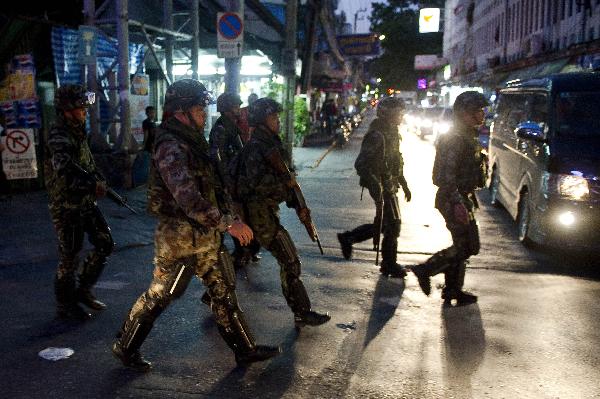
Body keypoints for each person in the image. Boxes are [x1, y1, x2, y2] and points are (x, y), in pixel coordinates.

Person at [111, 79, 280, 371]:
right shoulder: (170, 146)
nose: (204, 114)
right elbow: (188, 197)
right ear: (182, 111)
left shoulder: (194, 141)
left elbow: (214, 186)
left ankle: (244, 349)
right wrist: (228, 224)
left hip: (204, 236)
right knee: (161, 295)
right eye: (200, 108)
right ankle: (125, 346)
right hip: (178, 240)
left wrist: (232, 214)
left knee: (223, 289)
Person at [234, 97, 331, 329]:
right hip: (258, 213)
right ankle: (302, 312)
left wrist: (293, 196)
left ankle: (216, 292)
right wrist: (286, 188)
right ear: (261, 121)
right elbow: (258, 184)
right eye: (273, 118)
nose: (278, 121)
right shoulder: (257, 148)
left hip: (264, 212)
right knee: (289, 259)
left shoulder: (268, 144)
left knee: (248, 254)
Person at [409, 91, 489, 306]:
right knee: (467, 246)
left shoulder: (467, 135)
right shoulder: (455, 138)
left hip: (462, 196)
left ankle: (453, 290)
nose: (482, 115)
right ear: (464, 113)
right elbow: (446, 176)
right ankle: (426, 269)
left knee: (463, 245)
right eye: (478, 111)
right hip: (453, 197)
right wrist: (457, 203)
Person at [45, 84, 114, 320]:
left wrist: (99, 179)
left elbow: (87, 163)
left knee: (105, 242)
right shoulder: (58, 132)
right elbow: (65, 167)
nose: (85, 109)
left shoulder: (77, 129)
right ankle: (66, 304)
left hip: (84, 201)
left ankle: (83, 290)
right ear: (67, 108)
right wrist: (91, 185)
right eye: (80, 106)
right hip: (66, 204)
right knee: (70, 255)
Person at [337, 96, 411, 278]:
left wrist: (404, 184)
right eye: (398, 113)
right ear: (388, 114)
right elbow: (361, 164)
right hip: (381, 185)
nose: (401, 116)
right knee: (393, 225)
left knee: (388, 225)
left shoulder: (392, 132)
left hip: (390, 184)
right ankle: (389, 264)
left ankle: (349, 238)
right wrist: (375, 186)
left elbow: (394, 161)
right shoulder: (377, 135)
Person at [209, 92, 260, 269]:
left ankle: (247, 250)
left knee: (242, 214)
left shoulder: (232, 126)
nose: (239, 110)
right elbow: (218, 158)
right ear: (228, 109)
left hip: (236, 179)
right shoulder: (222, 128)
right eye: (236, 107)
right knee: (233, 216)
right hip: (227, 182)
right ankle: (240, 252)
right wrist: (227, 182)